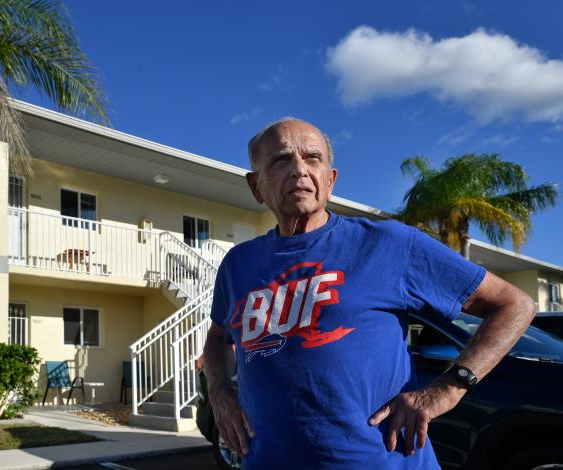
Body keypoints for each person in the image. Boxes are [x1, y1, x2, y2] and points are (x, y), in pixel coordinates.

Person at [203, 118, 536, 469]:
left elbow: (514, 304)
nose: (300, 170)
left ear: (330, 180)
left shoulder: (389, 245)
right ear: (256, 187)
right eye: (282, 160)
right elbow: (218, 338)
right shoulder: (238, 265)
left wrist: (448, 389)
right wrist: (220, 390)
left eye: (313, 158)